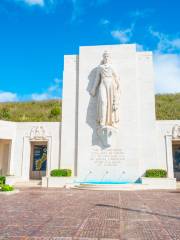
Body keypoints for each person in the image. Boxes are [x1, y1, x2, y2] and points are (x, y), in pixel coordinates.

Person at [90, 51, 120, 128]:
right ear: (103, 58)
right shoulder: (100, 67)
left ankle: (111, 121)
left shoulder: (112, 67)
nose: (106, 58)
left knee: (111, 102)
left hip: (111, 84)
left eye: (107, 56)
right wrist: (93, 89)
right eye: (105, 56)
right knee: (103, 101)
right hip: (103, 83)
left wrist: (118, 85)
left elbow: (116, 77)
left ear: (109, 58)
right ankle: (102, 121)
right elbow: (97, 78)